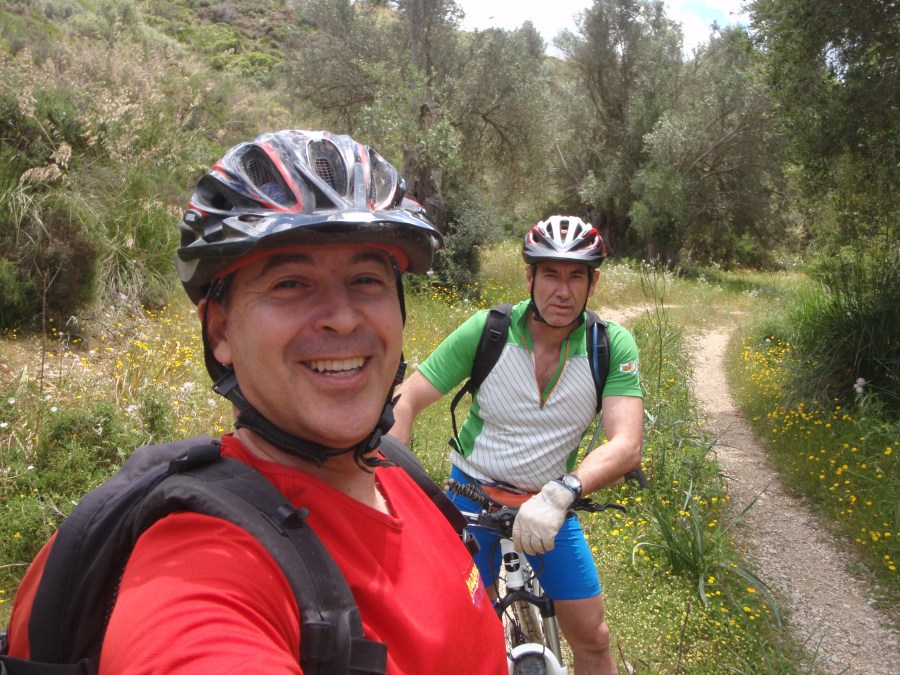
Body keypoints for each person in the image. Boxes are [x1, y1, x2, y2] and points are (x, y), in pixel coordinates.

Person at [5, 130, 508, 673]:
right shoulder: (203, 561)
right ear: (220, 331)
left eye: (366, 279)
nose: (343, 317)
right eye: (291, 284)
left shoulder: (399, 473)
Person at [391, 215, 644, 675]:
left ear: (593, 283)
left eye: (576, 277)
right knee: (459, 638)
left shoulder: (608, 345)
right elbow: (405, 401)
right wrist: (396, 486)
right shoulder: (487, 331)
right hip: (471, 499)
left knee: (594, 639)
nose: (562, 291)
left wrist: (563, 493)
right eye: (550, 274)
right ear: (530, 277)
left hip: (551, 502)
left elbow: (626, 444)